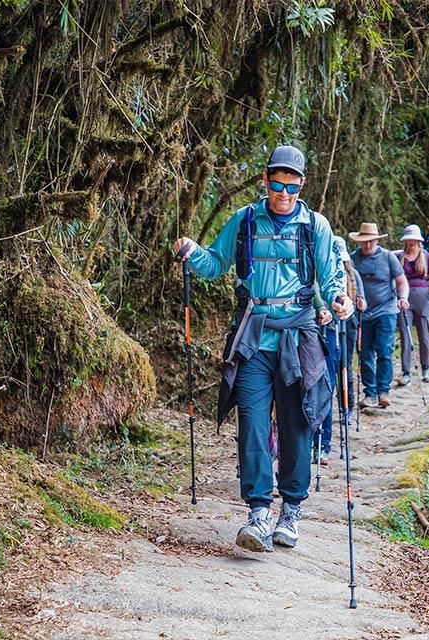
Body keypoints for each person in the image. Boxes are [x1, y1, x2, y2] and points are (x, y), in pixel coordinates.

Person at [173, 145, 353, 553]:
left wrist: (339, 300)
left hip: (299, 334)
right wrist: (191, 252)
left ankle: (291, 509)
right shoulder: (246, 219)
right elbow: (216, 262)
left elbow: (330, 279)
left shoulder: (315, 226)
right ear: (266, 179)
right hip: (254, 336)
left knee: (296, 424)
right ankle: (258, 511)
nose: (283, 193)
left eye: (291, 185)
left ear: (301, 184)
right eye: (276, 183)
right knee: (252, 424)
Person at [315, 235, 365, 466]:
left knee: (329, 385)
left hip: (337, 332)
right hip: (310, 334)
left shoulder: (350, 277)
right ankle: (312, 443)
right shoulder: (312, 271)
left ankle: (324, 442)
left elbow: (356, 300)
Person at [349, 223, 409, 408]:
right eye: (364, 242)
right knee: (365, 354)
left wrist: (403, 298)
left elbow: (401, 282)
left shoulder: (388, 257)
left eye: (371, 241)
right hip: (362, 314)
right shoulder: (352, 260)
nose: (368, 245)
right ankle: (370, 393)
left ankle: (384, 391)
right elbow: (348, 283)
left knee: (384, 351)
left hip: (386, 310)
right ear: (360, 241)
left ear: (377, 240)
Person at [393, 225, 429, 385]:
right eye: (409, 239)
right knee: (406, 336)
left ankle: (426, 367)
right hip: (404, 299)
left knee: (424, 336)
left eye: (414, 239)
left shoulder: (426, 256)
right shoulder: (399, 257)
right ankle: (406, 372)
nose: (412, 242)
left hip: (423, 298)